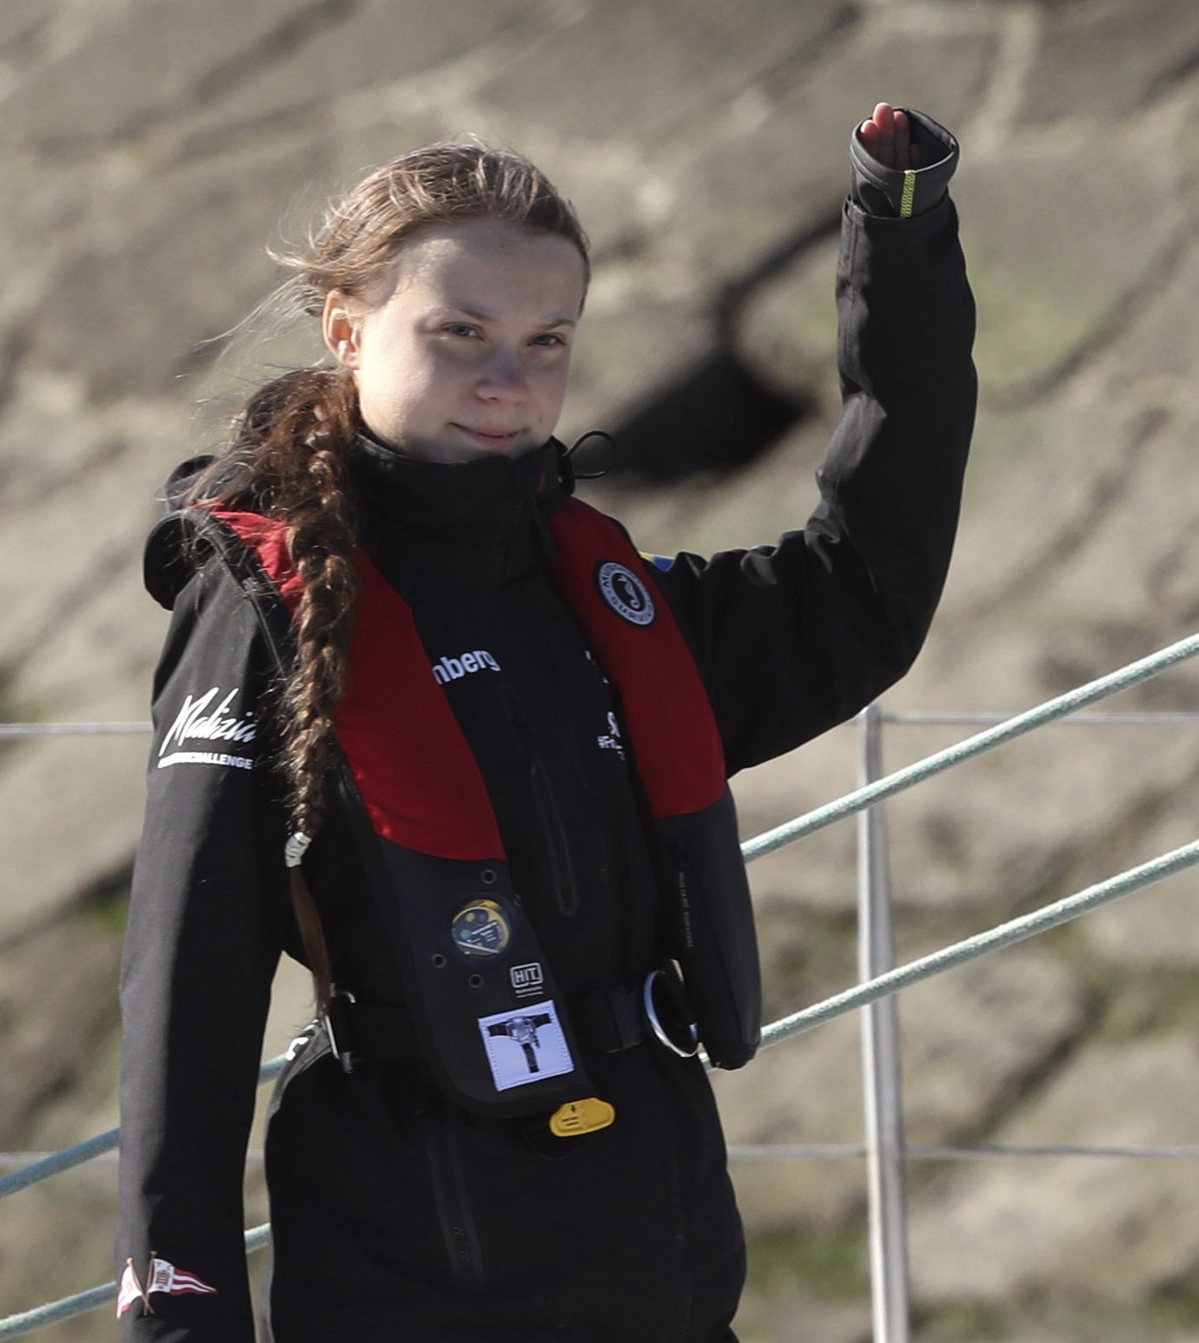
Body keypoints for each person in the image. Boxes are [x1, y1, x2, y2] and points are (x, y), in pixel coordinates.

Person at [116, 103, 977, 1341]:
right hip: (411, 1288)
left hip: (667, 1273)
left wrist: (898, 243)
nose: (507, 379)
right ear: (345, 328)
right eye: (459, 331)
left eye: (546, 339)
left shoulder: (608, 603)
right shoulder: (262, 613)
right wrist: (178, 1315)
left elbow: (863, 591)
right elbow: (183, 1000)